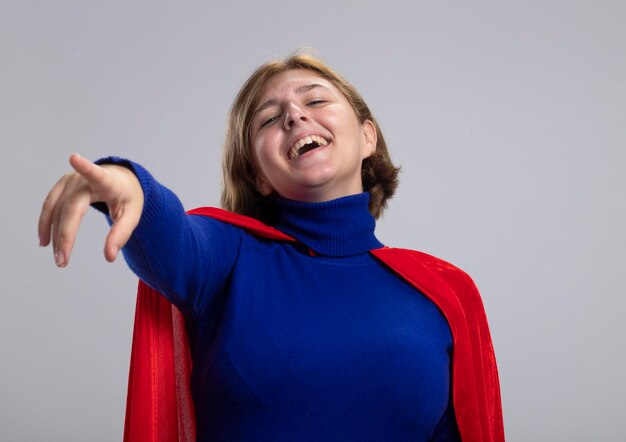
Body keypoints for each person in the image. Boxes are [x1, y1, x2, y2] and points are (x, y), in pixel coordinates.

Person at [38, 53, 504, 441]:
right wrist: (127, 185)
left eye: (315, 99)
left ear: (367, 137)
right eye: (269, 118)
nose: (295, 115)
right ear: (258, 176)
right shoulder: (226, 257)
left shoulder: (445, 292)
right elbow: (172, 237)